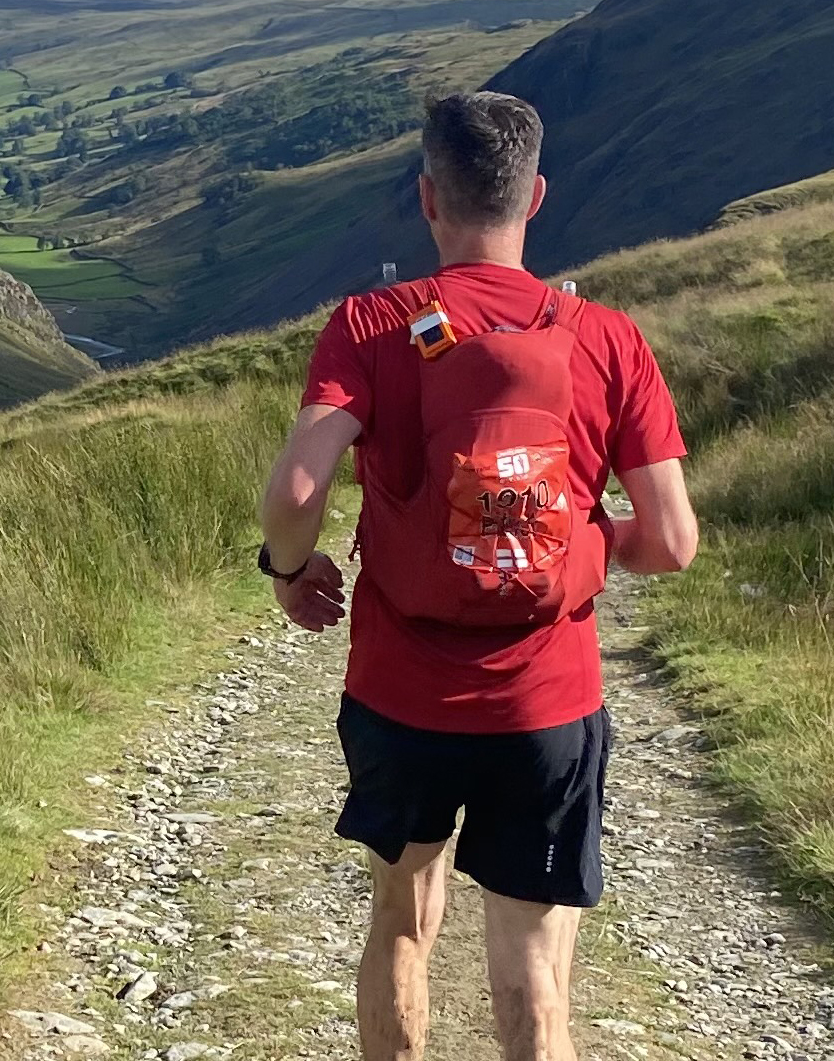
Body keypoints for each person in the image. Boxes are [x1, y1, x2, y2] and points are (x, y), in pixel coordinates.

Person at [257, 91, 700, 1061]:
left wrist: (289, 570)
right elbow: (670, 539)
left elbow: (295, 488)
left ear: (428, 198)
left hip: (400, 700)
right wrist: (584, 539)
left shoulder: (372, 325)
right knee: (532, 973)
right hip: (544, 708)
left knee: (404, 926)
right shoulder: (607, 339)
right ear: (534, 196)